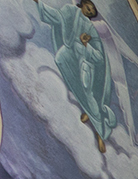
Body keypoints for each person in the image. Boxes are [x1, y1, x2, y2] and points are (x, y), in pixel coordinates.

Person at [36, 0, 117, 152]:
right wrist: (39, 4)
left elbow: (99, 56)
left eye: (93, 9)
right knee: (60, 58)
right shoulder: (69, 11)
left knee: (88, 92)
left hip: (83, 61)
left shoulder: (90, 28)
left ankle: (100, 133)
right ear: (83, 4)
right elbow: (56, 17)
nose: (92, 10)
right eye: (90, 7)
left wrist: (86, 45)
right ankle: (85, 107)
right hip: (69, 53)